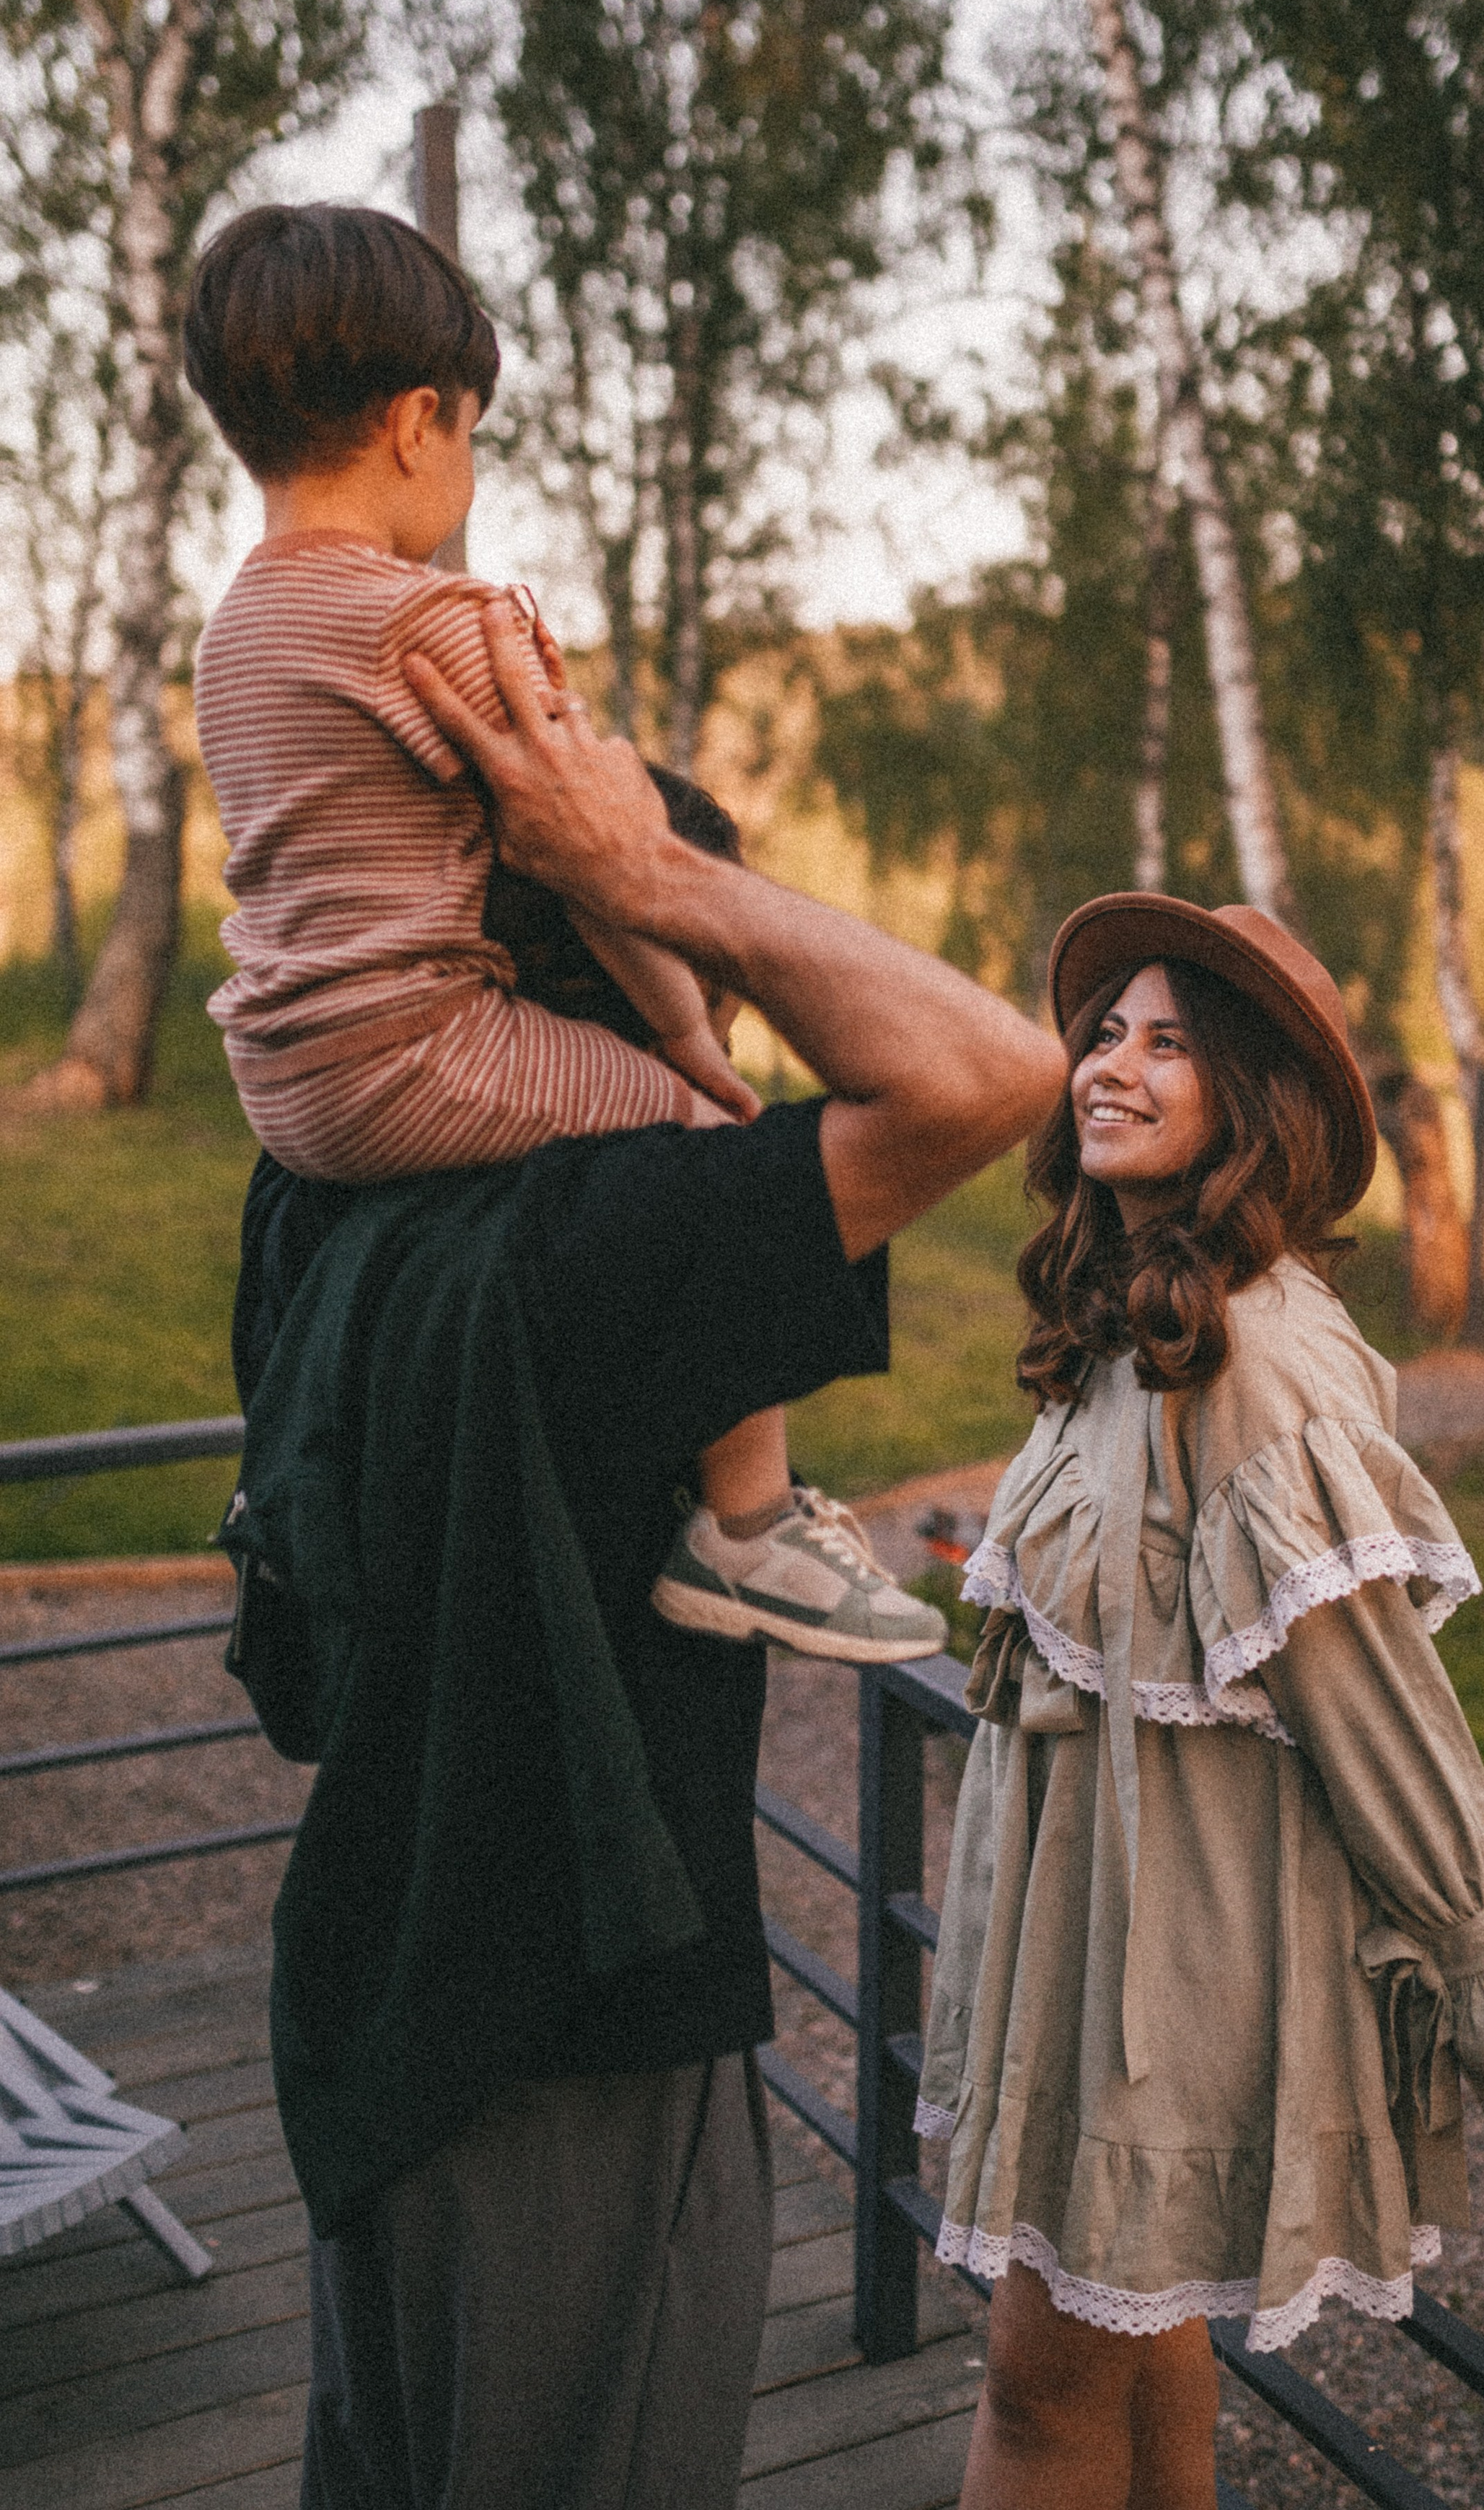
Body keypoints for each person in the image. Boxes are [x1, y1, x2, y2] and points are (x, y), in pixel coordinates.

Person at [225, 612, 1068, 2510]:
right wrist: (655, 869)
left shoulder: (318, 1197)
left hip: (366, 1995)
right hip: (572, 2026)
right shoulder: (604, 1236)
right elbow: (988, 1071)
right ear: (628, 948)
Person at [914, 893, 1484, 2510]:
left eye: (1166, 1043)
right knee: (1143, 2342)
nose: (1106, 1068)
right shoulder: (1131, 1323)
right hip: (1092, 1947)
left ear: (1249, 1104)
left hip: (1165, 1972)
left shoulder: (1251, 1355)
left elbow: (1370, 1692)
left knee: (1036, 2386)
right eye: (1102, 1033)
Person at [185, 198, 943, 1669]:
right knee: (714, 1160)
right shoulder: (444, 624)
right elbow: (611, 867)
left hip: (286, 1079)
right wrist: (679, 1040)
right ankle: (747, 1526)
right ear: (419, 422)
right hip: (416, 1047)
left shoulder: (233, 633)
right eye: (470, 434)